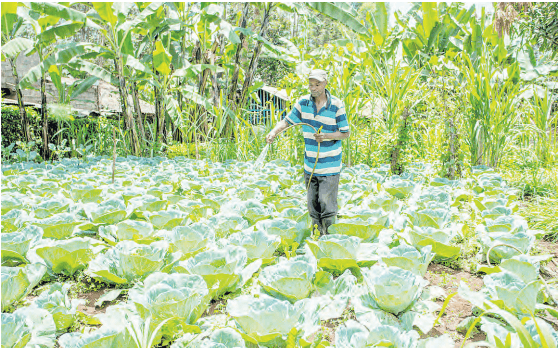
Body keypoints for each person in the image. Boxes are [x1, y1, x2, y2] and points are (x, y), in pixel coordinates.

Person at [265, 69, 350, 235]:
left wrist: (325, 136)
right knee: (312, 205)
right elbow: (288, 121)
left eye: (317, 84)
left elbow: (345, 133)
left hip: (330, 167)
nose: (313, 88)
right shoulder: (303, 103)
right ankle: (316, 237)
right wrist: (274, 132)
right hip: (310, 165)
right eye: (311, 84)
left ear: (325, 84)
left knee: (327, 204)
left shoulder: (336, 105)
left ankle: (329, 238)